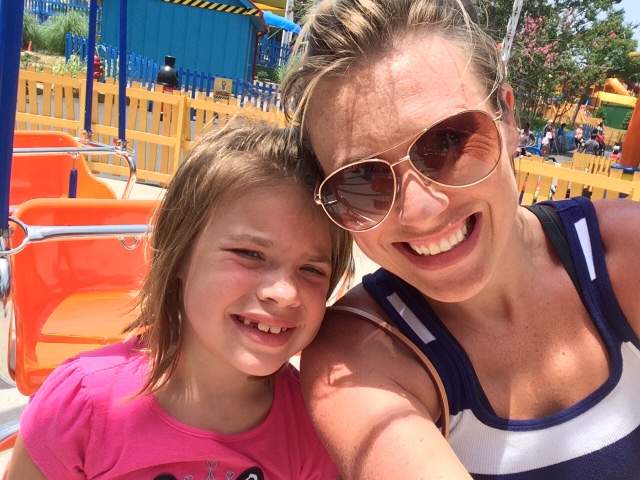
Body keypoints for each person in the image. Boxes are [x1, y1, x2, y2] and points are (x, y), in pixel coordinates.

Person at [281, 0, 640, 477]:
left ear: (508, 120)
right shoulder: (360, 357)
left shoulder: (627, 251)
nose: (421, 210)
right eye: (361, 180)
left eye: (447, 142)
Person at [7, 122, 353, 479]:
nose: (284, 292)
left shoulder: (317, 428)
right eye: (250, 253)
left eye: (311, 270)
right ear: (179, 254)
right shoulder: (80, 407)